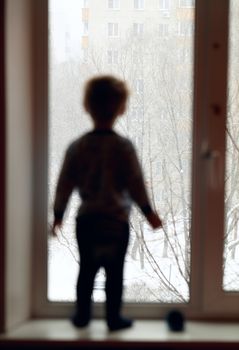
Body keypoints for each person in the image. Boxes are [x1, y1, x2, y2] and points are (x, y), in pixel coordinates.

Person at [52, 75, 162, 331]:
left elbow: (64, 184)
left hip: (87, 221)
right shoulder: (124, 148)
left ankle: (82, 316)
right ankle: (114, 319)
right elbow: (136, 185)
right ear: (122, 109)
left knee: (87, 270)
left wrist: (58, 215)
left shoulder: (77, 147)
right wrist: (149, 214)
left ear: (86, 107)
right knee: (115, 273)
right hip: (115, 221)